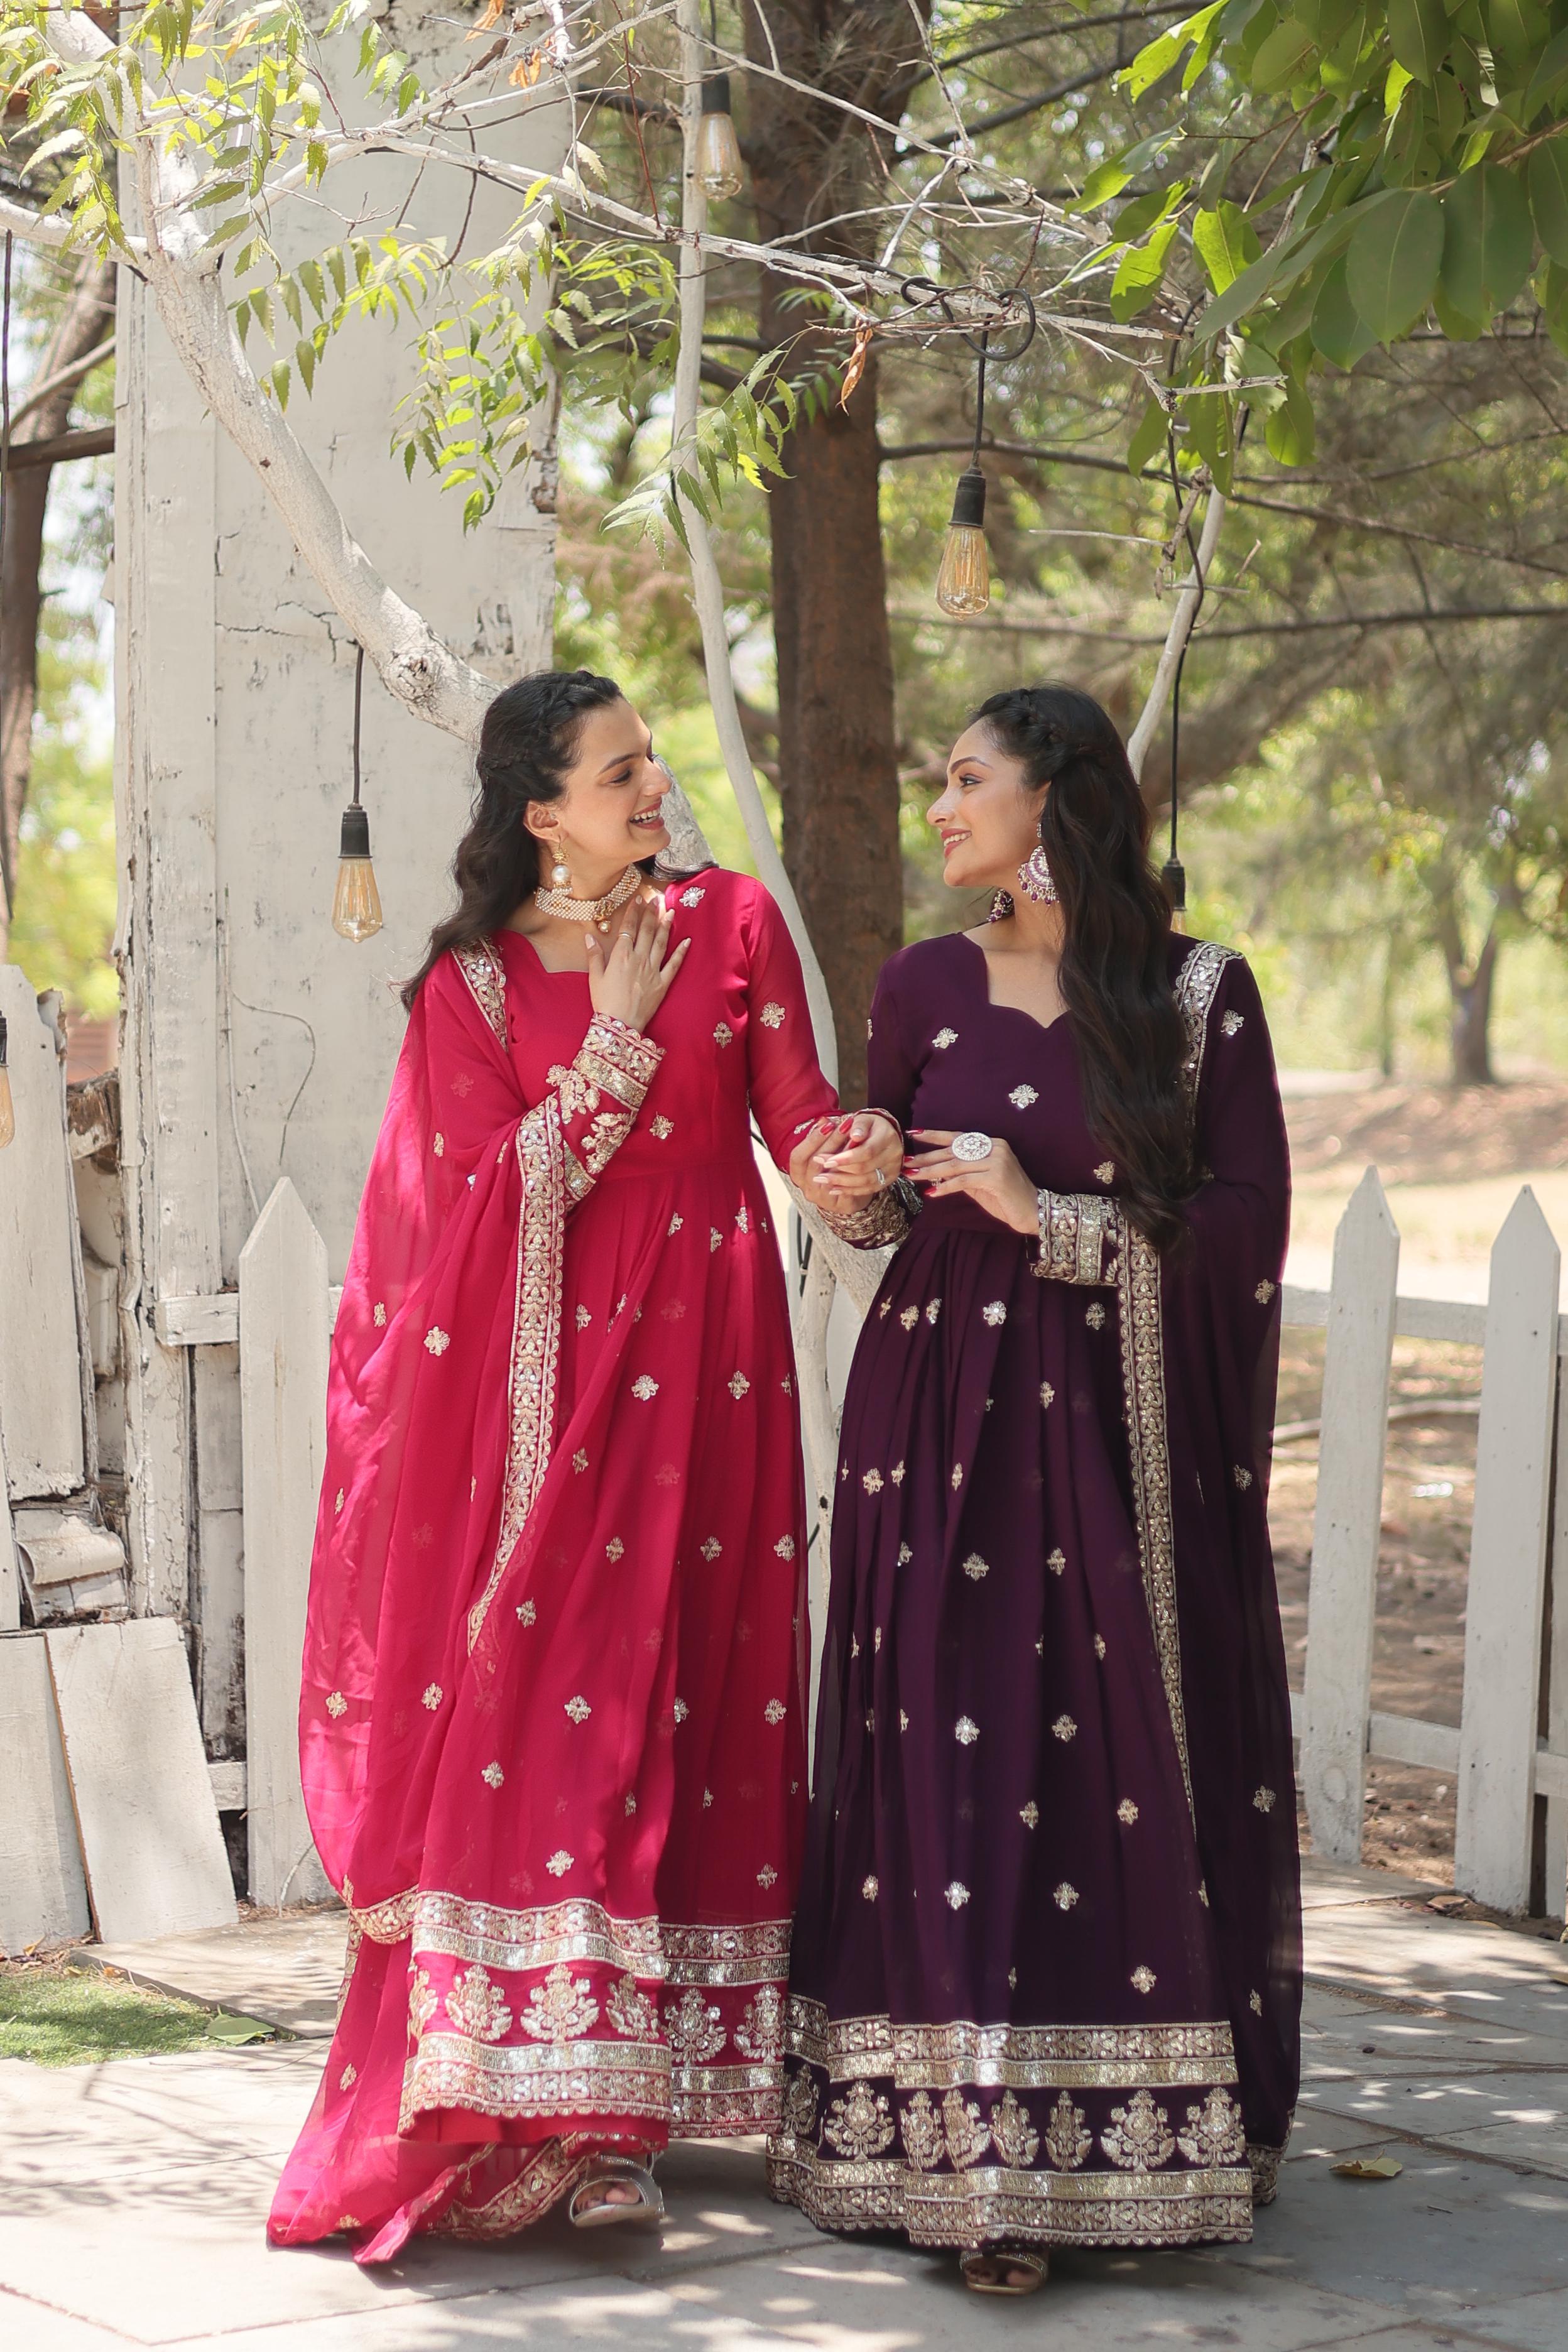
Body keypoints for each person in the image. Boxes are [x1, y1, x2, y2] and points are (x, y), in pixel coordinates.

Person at [268, 670, 903, 2262]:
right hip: (547, 1416)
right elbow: (471, 1215)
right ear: (540, 812)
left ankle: (634, 2100)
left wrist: (853, 1170)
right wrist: (612, 1043)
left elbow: (796, 1123)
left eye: (650, 762)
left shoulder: (733, 924)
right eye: (619, 770)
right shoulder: (472, 993)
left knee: (696, 1700)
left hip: (717, 1379)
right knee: (554, 1719)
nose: (654, 786)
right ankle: (548, 2104)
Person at [768, 683, 1300, 2295]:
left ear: (1054, 797)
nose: (940, 806)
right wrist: (851, 1181)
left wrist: (1045, 1213)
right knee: (937, 1754)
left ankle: (1114, 2141)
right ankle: (957, 2151)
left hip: (1113, 1441)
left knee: (1102, 1748)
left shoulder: (1197, 994)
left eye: (966, 779)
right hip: (933, 1428)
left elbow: (1245, 1231)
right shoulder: (924, 983)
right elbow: (887, 1211)